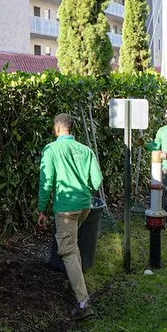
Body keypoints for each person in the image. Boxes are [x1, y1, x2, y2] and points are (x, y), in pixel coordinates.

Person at [37, 113, 103, 321]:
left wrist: (41, 210)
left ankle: (83, 302)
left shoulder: (52, 149)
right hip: (84, 205)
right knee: (72, 246)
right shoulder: (86, 150)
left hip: (65, 208)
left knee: (67, 251)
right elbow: (97, 181)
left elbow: (46, 182)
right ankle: (77, 282)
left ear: (57, 129)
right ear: (71, 129)